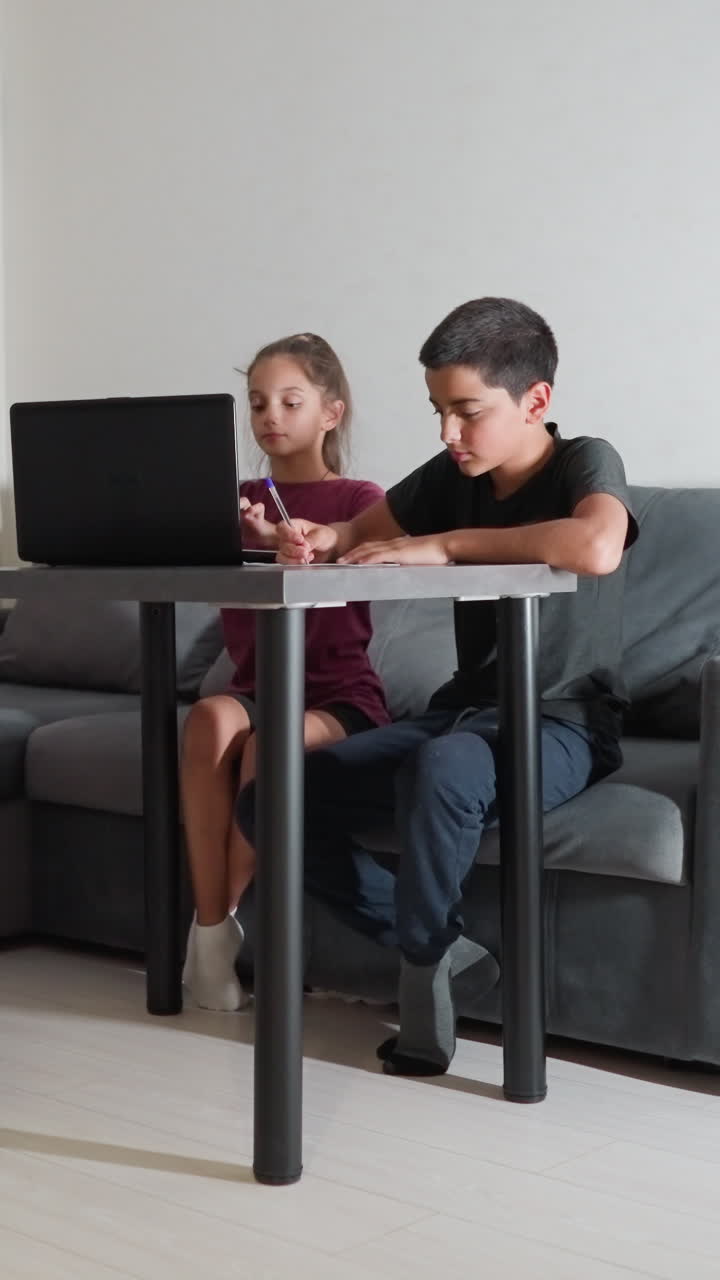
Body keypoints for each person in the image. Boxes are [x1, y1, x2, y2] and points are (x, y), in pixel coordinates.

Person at [237, 297, 638, 1076]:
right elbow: (355, 535)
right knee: (272, 797)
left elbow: (595, 546)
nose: (447, 434)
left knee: (443, 768)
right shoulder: (452, 475)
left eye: (466, 412)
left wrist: (445, 546)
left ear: (536, 401)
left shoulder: (586, 460)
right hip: (465, 712)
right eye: (437, 411)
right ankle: (437, 946)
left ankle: (420, 977)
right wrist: (313, 539)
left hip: (563, 719)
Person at [181, 333, 389, 1011]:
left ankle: (216, 926)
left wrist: (297, 555)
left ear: (330, 412)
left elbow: (357, 593)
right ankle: (211, 932)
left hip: (339, 696)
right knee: (211, 717)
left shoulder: (361, 499)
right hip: (256, 689)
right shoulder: (234, 501)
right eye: (258, 402)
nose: (270, 416)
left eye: (289, 401)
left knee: (265, 751)